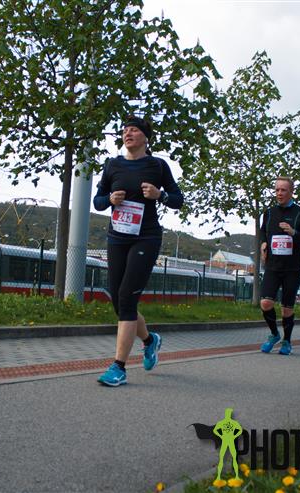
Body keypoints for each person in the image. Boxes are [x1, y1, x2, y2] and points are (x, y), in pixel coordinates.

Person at [93, 115, 183, 386]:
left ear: (145, 137)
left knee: (127, 298)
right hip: (117, 237)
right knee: (119, 303)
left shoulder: (157, 165)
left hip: (146, 237)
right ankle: (149, 339)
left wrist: (160, 195)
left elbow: (178, 199)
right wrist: (110, 199)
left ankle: (119, 367)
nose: (127, 133)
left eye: (134, 130)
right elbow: (98, 201)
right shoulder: (113, 165)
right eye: (125, 130)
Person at [258, 177, 300, 355]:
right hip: (273, 266)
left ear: (291, 192)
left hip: (293, 268)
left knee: (286, 309)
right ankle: (274, 334)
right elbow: (263, 232)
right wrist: (263, 243)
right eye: (277, 190)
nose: (279, 193)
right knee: (266, 303)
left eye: (283, 190)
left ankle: (287, 341)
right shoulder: (269, 212)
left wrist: (293, 232)